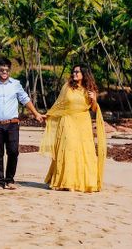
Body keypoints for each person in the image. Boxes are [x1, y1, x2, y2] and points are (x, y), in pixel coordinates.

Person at [0, 59, 46, 190]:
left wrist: (36, 114)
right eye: (2, 70)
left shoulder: (16, 84)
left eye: (6, 70)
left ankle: (10, 180)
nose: (4, 72)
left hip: (12, 124)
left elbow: (25, 99)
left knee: (13, 152)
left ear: (9, 71)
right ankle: (0, 182)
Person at [39, 65, 107, 193]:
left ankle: (82, 183)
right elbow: (59, 104)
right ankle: (65, 182)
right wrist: (49, 114)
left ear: (84, 74)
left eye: (77, 72)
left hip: (83, 123)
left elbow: (93, 109)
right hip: (67, 120)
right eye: (74, 71)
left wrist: (94, 100)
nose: (74, 74)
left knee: (84, 152)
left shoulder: (89, 89)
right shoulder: (67, 87)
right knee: (68, 149)